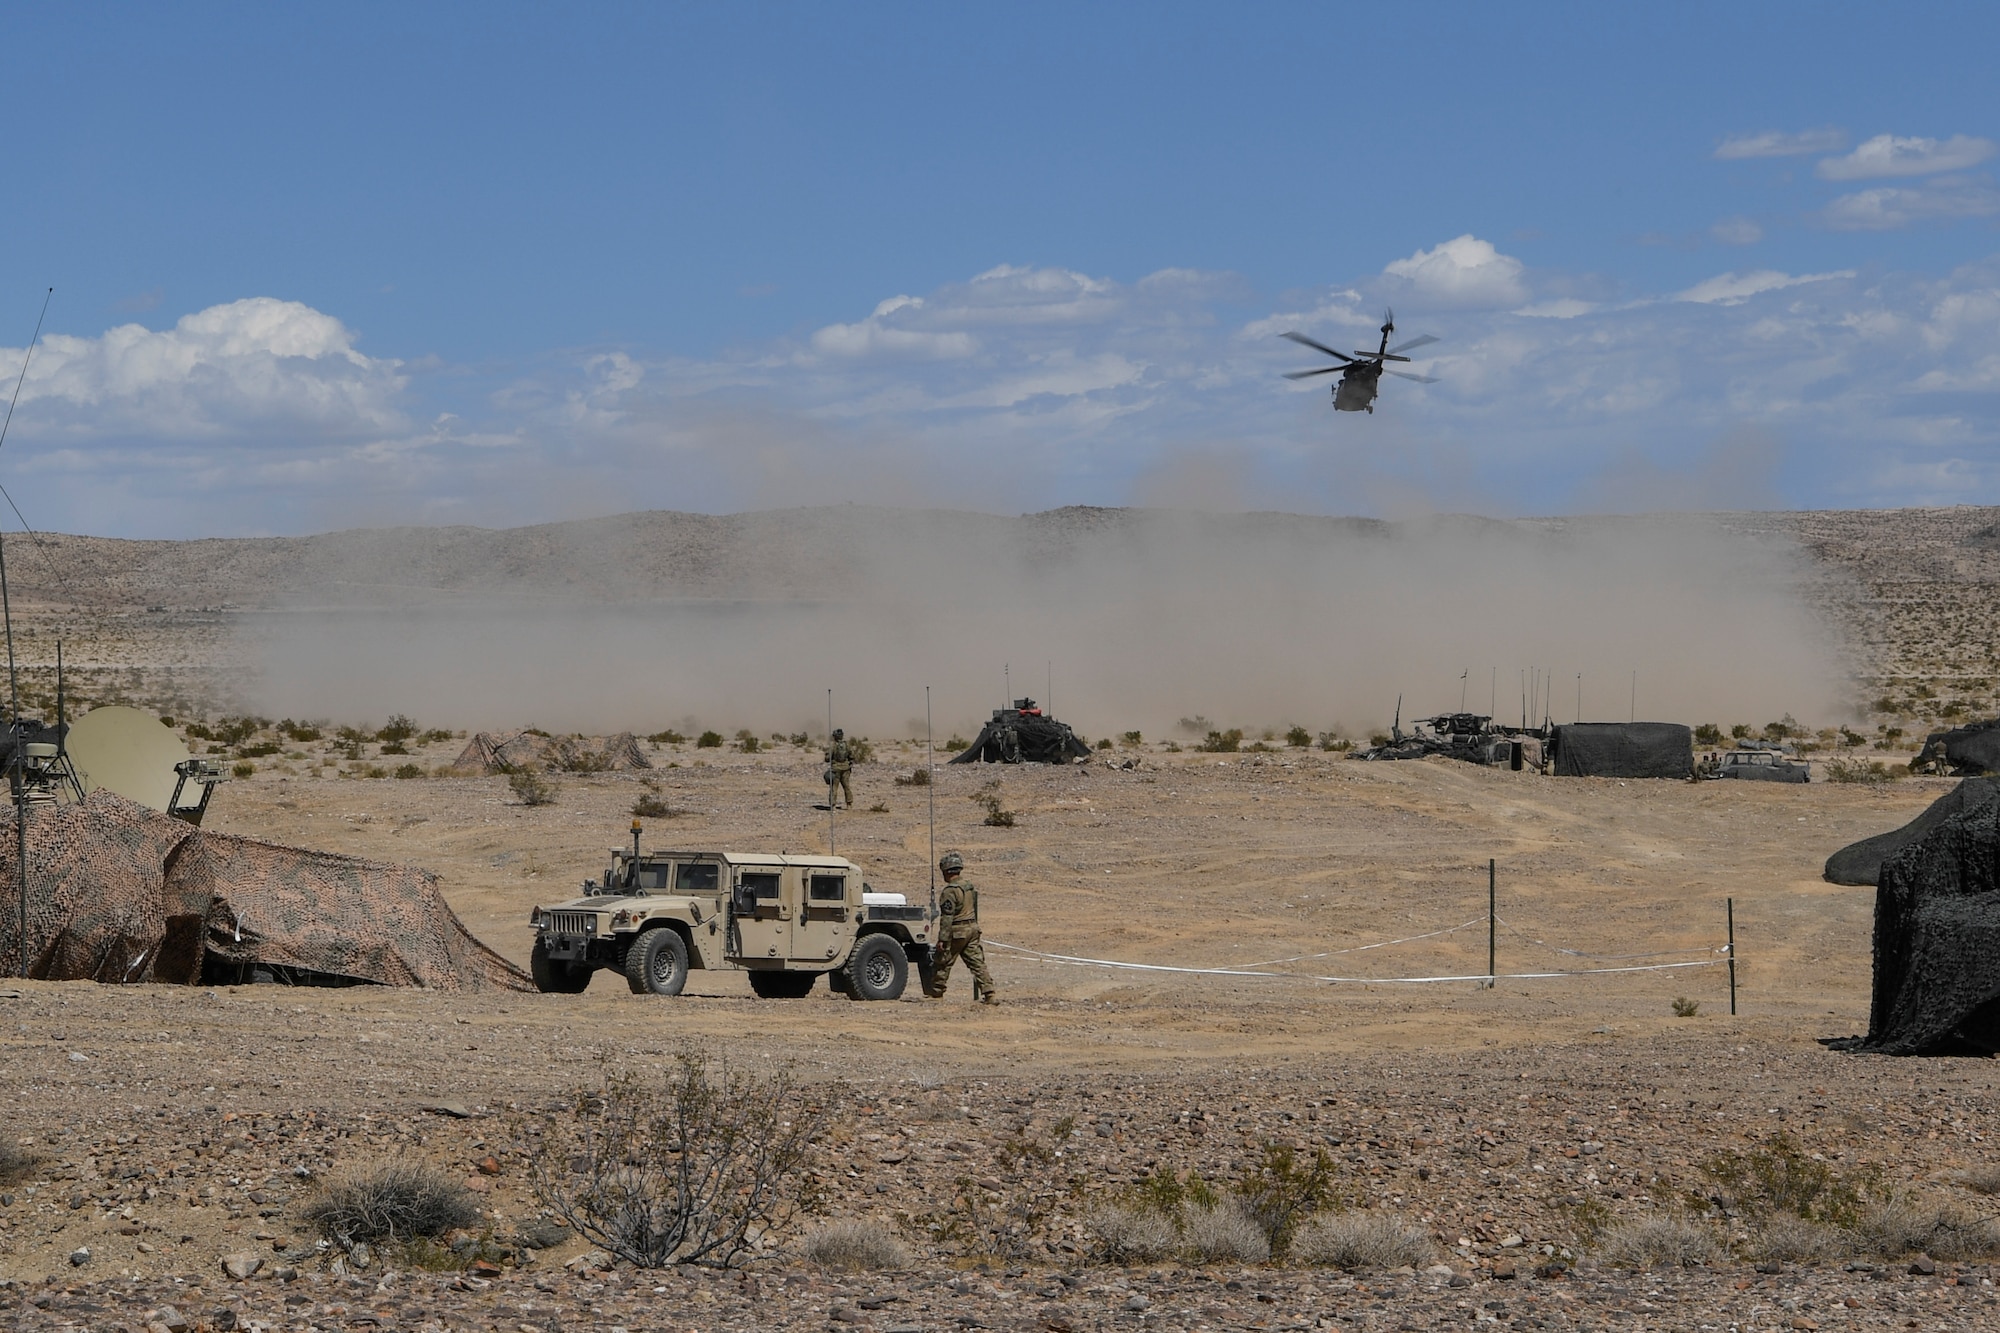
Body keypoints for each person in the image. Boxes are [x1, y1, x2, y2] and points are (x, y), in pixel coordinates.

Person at [926, 850, 998, 1004]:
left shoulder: (950, 891)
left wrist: (942, 939)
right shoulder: (968, 887)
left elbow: (947, 917)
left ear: (947, 871)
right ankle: (990, 993)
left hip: (957, 932)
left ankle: (936, 993)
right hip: (972, 929)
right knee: (977, 963)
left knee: (942, 962)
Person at [824, 728, 854, 809]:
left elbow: (828, 758)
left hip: (835, 769)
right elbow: (852, 756)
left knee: (834, 787)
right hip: (846, 769)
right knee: (846, 786)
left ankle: (833, 805)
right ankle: (849, 804)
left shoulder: (833, 745)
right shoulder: (847, 744)